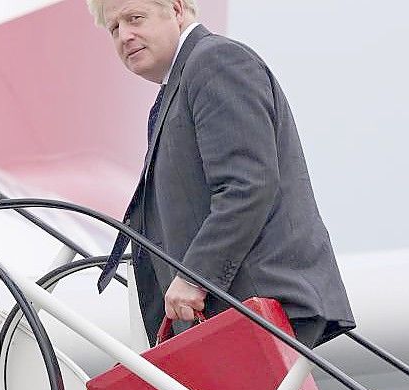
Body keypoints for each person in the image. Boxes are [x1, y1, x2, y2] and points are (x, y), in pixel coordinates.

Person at [90, 0, 356, 348]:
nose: (125, 35)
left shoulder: (214, 61)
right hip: (230, 313)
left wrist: (194, 276)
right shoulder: (181, 84)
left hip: (250, 307)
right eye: (114, 28)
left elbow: (248, 184)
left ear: (177, 8)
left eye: (134, 18)